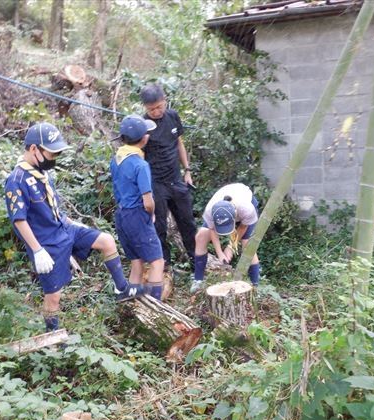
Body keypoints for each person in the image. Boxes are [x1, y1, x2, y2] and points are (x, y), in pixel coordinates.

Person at [4, 122, 146, 333]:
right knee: (53, 296)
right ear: (34, 149)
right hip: (47, 243)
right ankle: (53, 336)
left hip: (64, 229)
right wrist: (37, 250)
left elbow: (51, 206)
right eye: (52, 153)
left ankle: (121, 289)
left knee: (106, 241)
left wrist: (71, 222)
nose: (55, 158)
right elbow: (19, 220)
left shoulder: (41, 172)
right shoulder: (16, 180)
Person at [140, 84, 196, 269]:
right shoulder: (142, 126)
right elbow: (139, 156)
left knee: (187, 222)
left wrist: (187, 170)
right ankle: (164, 266)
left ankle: (197, 262)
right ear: (145, 108)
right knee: (159, 227)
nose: (156, 112)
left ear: (164, 101)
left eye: (159, 107)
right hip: (156, 183)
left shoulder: (172, 116)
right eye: (151, 109)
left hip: (176, 179)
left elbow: (179, 143)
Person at [109, 114, 165, 301]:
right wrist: (151, 214)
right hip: (137, 215)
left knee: (136, 262)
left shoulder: (116, 160)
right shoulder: (140, 165)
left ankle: (132, 305)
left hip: (122, 215)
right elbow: (148, 201)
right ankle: (157, 308)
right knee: (157, 262)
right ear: (144, 139)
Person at [191, 183, 261, 292]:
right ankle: (198, 281)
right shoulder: (210, 211)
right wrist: (220, 253)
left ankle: (255, 285)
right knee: (201, 236)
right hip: (221, 208)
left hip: (245, 201)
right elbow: (212, 230)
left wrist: (230, 247)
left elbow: (242, 227)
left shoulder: (246, 208)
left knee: (247, 244)